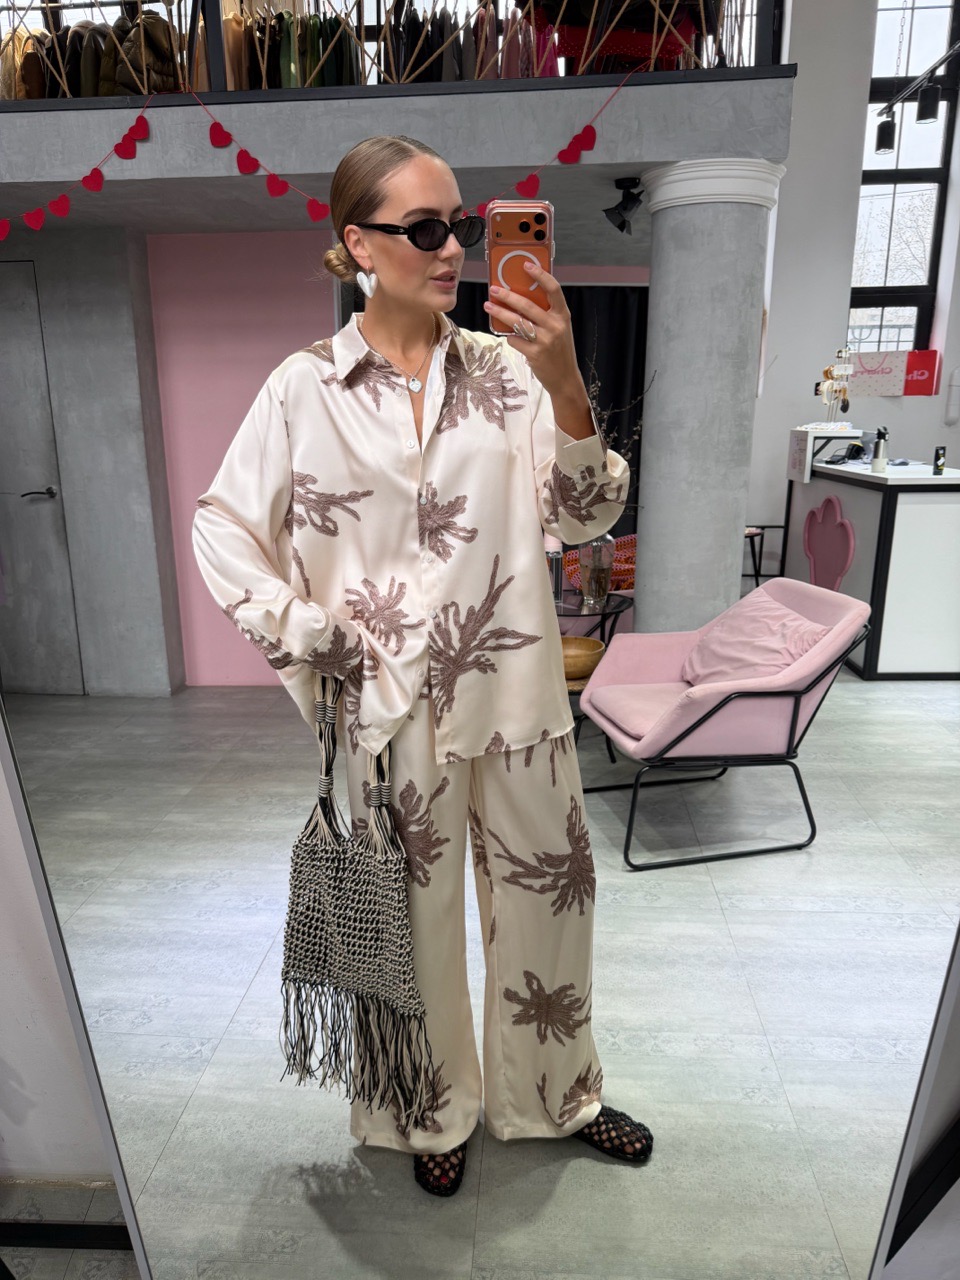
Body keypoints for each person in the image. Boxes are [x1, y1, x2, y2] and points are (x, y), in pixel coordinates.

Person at [192, 134, 653, 1197]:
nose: (455, 249)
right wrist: (313, 635)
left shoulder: (506, 372)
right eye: (426, 228)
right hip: (387, 712)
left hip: (517, 694)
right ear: (358, 243)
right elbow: (223, 526)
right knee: (410, 926)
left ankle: (556, 1098)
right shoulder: (302, 389)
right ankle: (422, 1106)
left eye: (466, 226)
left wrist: (564, 376)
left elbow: (585, 514)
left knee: (552, 910)